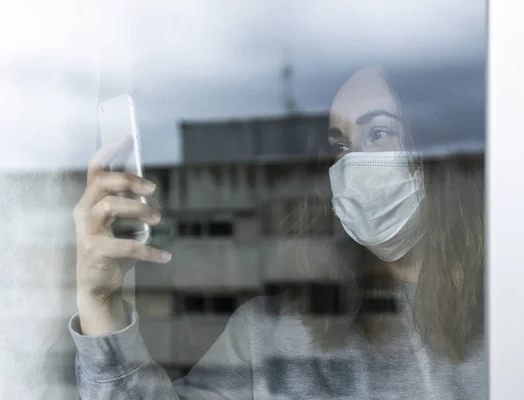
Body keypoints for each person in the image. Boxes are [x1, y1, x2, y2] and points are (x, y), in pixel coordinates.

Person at [69, 65, 486, 399]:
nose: (354, 165)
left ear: (439, 153)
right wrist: (101, 304)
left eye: (379, 133)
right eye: (341, 145)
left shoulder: (523, 318)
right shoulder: (270, 334)